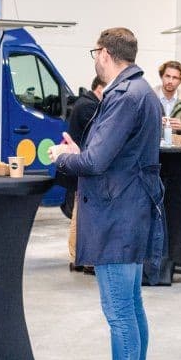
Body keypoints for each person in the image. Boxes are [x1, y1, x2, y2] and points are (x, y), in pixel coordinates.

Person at [51, 28, 165, 360]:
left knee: (120, 313)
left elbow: (96, 161)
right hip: (129, 209)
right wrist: (81, 153)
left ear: (104, 53)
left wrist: (66, 157)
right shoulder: (142, 92)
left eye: (94, 52)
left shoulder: (124, 97)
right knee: (131, 309)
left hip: (118, 214)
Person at [63, 76, 105, 273]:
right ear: (100, 88)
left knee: (78, 214)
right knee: (82, 215)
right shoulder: (90, 107)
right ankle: (85, 259)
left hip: (78, 165)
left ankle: (77, 257)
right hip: (82, 166)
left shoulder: (84, 103)